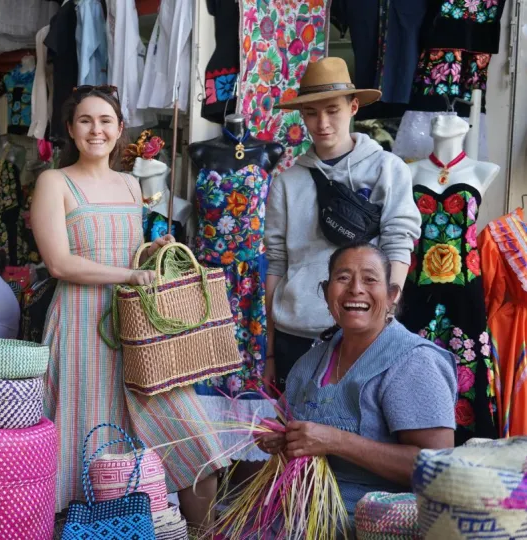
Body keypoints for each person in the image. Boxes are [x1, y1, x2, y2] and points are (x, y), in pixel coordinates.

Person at [30, 85, 228, 528]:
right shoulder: (54, 182)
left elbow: (129, 255)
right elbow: (60, 263)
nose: (95, 129)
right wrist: (130, 275)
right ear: (69, 129)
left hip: (140, 330)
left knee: (194, 438)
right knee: (86, 442)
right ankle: (90, 531)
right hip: (81, 327)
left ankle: (201, 534)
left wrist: (153, 251)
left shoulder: (130, 184)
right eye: (85, 120)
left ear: (120, 130)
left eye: (105, 121)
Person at [258, 243, 456, 527]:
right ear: (326, 292)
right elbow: (286, 424)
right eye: (343, 278)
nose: (355, 289)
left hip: (367, 526)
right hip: (290, 518)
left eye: (370, 279)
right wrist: (278, 436)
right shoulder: (311, 361)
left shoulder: (413, 362)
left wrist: (337, 441)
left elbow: (438, 468)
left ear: (391, 296)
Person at [264, 57, 421, 392]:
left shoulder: (387, 170)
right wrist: (270, 353)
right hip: (295, 332)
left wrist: (385, 318)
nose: (322, 122)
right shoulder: (286, 183)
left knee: (361, 434)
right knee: (296, 437)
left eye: (332, 109)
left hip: (362, 330)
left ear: (352, 107)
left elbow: (398, 241)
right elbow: (277, 263)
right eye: (311, 112)